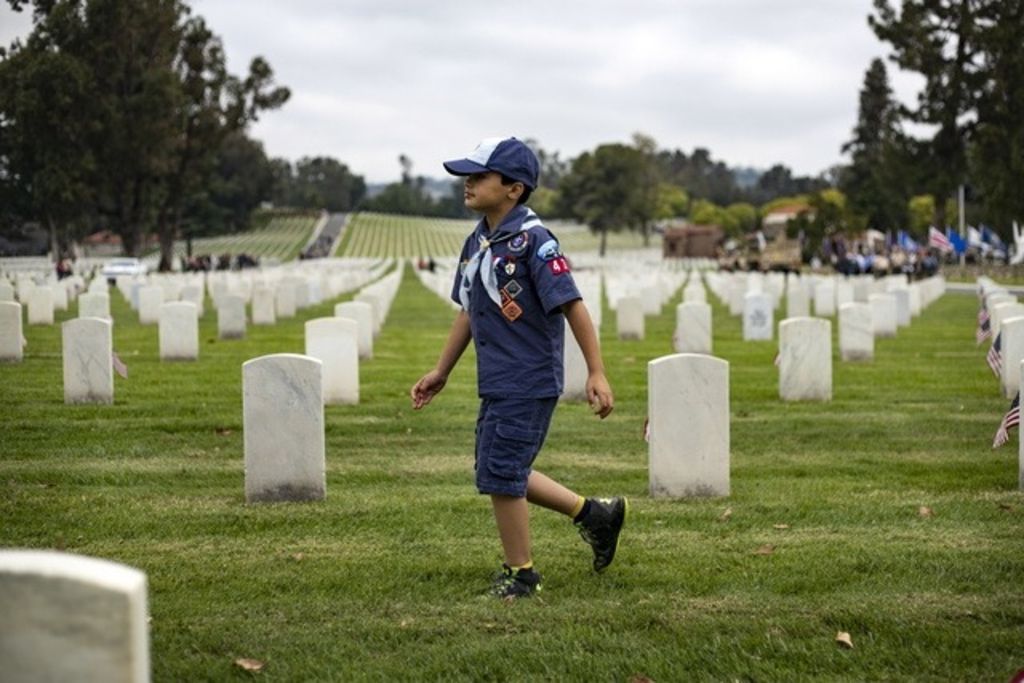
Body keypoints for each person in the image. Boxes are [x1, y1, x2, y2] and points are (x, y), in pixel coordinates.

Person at [410, 137, 627, 600]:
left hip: (528, 379)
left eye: (479, 176)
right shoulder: (478, 241)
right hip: (497, 377)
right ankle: (595, 515)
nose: (467, 183)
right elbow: (469, 310)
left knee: (502, 470)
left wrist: (596, 372)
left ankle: (522, 574)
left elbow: (573, 305)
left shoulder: (536, 242)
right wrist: (441, 371)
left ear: (514, 188)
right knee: (497, 467)